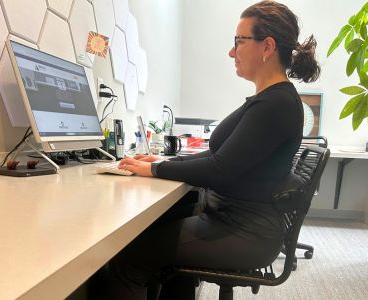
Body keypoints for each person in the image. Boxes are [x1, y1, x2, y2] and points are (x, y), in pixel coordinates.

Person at [99, 1, 320, 299]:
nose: (232, 52)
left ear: (267, 47)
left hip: (246, 231)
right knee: (154, 235)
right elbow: (221, 156)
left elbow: (219, 169)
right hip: (233, 217)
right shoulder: (269, 100)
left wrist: (155, 169)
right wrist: (162, 160)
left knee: (129, 257)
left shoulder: (276, 105)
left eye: (238, 42)